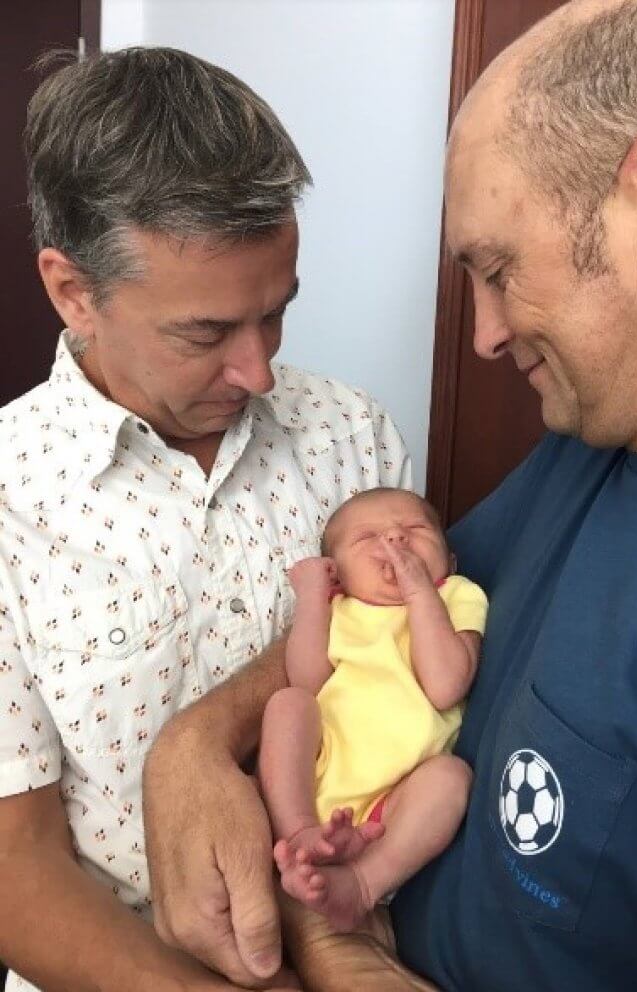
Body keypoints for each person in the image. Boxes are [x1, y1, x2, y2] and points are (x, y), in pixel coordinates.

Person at [139, 1, 637, 990]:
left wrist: (329, 940)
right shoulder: (596, 441)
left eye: (499, 269)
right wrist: (194, 745)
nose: (483, 334)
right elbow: (384, 609)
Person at [0, 47, 412, 992]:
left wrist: (199, 739)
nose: (258, 371)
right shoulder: (10, 501)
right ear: (73, 291)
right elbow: (16, 865)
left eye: (276, 313)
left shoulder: (351, 437)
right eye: (206, 332)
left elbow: (406, 671)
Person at [258, 488, 487, 931]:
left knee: (451, 778)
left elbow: (445, 687)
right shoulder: (340, 607)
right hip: (321, 770)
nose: (396, 539)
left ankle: (362, 883)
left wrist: (420, 592)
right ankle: (299, 834)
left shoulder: (457, 595)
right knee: (289, 704)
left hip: (397, 803)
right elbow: (307, 681)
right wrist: (313, 599)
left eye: (416, 529)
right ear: (338, 573)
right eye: (368, 538)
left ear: (452, 561)